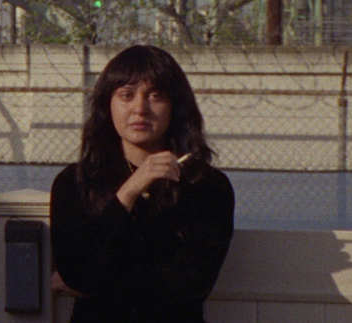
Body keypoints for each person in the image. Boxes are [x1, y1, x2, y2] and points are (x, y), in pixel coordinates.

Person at [50, 45, 234, 323]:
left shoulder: (207, 187)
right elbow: (79, 272)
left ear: (175, 106)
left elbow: (191, 287)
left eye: (155, 96)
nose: (140, 108)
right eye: (126, 95)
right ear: (107, 104)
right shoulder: (75, 183)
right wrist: (128, 192)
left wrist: (97, 285)